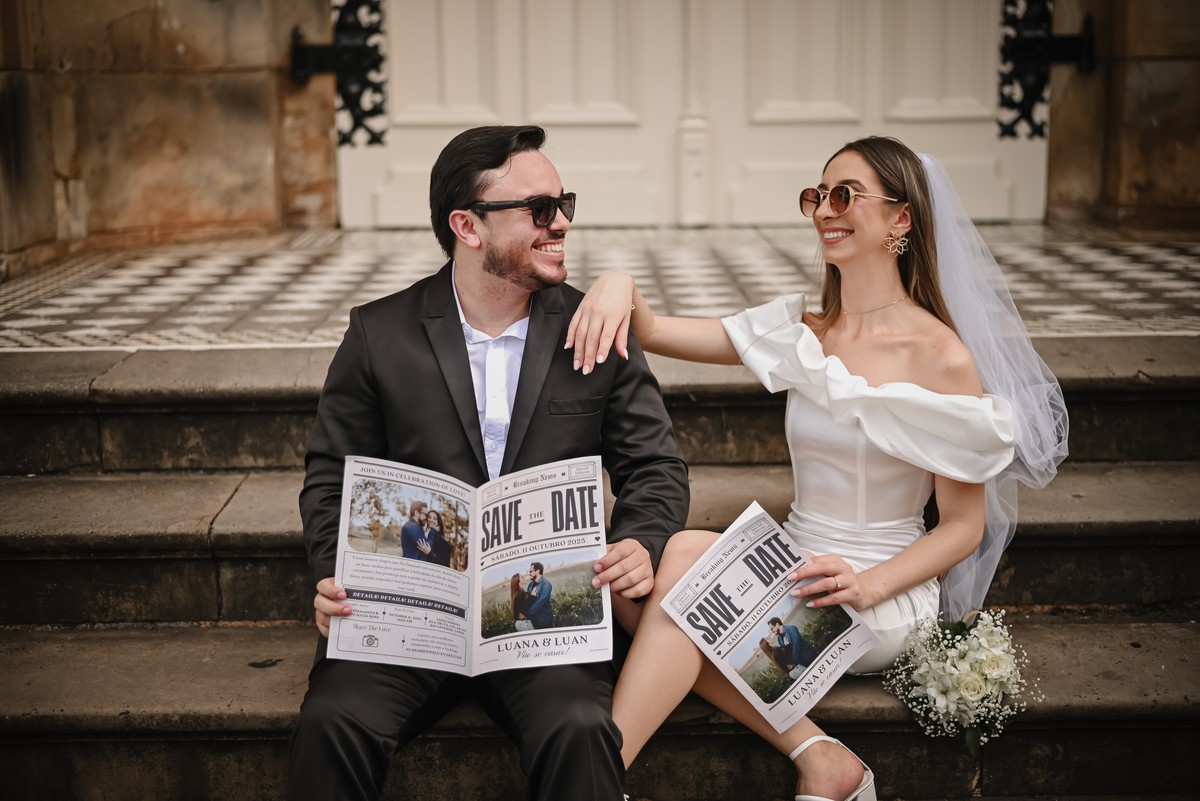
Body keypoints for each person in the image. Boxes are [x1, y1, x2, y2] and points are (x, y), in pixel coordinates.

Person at [566, 136, 1068, 801]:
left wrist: (867, 583)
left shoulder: (941, 356)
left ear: (901, 218)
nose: (825, 209)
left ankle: (596, 781)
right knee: (630, 581)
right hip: (792, 563)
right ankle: (817, 751)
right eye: (817, 195)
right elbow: (655, 331)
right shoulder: (804, 333)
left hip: (877, 592)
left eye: (845, 195)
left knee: (680, 560)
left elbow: (962, 527)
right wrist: (616, 282)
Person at [289, 125, 690, 801]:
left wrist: (640, 542)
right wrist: (335, 572)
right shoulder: (378, 334)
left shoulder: (594, 327)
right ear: (467, 226)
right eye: (539, 209)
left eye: (564, 203)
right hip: (409, 618)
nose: (561, 223)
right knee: (332, 722)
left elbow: (655, 467)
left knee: (580, 727)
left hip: (541, 626)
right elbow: (331, 476)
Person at [521, 561, 554, 629]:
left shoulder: (546, 585)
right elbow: (528, 602)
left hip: (545, 622)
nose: (529, 573)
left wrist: (525, 614)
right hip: (533, 622)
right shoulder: (530, 585)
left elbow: (539, 603)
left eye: (531, 571)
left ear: (537, 571)